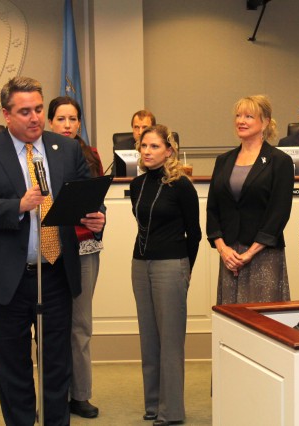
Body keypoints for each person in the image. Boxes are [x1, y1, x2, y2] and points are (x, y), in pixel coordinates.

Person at [0, 76, 105, 425]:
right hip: (7, 279)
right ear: (7, 114)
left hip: (55, 274)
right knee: (14, 369)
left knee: (57, 366)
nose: (35, 117)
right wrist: (18, 205)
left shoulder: (67, 150)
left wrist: (98, 218)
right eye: (25, 111)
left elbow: (88, 197)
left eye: (39, 109)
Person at [129, 124, 201, 426]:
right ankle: (152, 404)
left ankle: (171, 412)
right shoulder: (138, 184)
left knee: (170, 341)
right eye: (144, 146)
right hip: (140, 264)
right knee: (149, 338)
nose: (147, 151)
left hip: (172, 265)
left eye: (155, 146)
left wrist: (186, 271)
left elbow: (194, 233)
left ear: (169, 150)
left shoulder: (181, 185)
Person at [207, 95, 294, 304]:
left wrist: (250, 253)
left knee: (264, 322)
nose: (241, 121)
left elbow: (278, 213)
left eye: (248, 116)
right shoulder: (223, 160)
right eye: (238, 116)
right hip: (229, 255)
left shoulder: (279, 161)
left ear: (264, 122)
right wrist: (223, 249)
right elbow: (212, 209)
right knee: (231, 320)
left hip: (263, 254)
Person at [47, 96, 103, 419]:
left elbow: (98, 199)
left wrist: (100, 218)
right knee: (52, 325)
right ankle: (53, 393)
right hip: (52, 248)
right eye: (61, 119)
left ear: (79, 123)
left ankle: (79, 394)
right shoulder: (38, 154)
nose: (67, 125)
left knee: (80, 324)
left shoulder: (89, 155)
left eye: (73, 119)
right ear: (50, 122)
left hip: (84, 248)